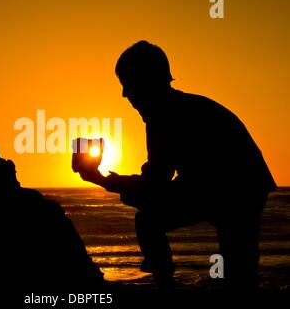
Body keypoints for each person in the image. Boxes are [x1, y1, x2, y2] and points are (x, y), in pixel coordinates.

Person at [77, 40, 277, 289]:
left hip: (235, 187)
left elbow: (155, 183)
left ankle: (165, 284)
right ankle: (167, 281)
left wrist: (103, 180)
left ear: (147, 82)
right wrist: (109, 182)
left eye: (128, 85)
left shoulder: (167, 116)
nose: (125, 94)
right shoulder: (171, 111)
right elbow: (157, 183)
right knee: (236, 266)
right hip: (227, 186)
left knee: (234, 265)